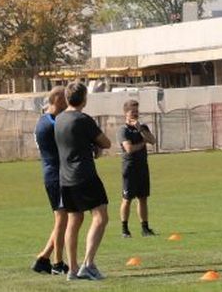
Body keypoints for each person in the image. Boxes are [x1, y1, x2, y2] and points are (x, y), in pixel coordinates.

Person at [55, 81, 112, 281]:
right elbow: (106, 142)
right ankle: (88, 264)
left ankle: (72, 268)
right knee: (100, 216)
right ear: (84, 99)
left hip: (65, 178)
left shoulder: (59, 119)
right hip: (84, 175)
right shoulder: (83, 119)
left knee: (74, 220)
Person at [31, 86, 69, 276]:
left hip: (56, 174)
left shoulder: (48, 120)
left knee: (63, 219)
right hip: (55, 175)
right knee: (62, 218)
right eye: (66, 99)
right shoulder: (49, 124)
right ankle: (57, 262)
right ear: (58, 100)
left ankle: (44, 259)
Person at [118, 99, 156, 238]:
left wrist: (140, 129)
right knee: (127, 199)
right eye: (132, 112)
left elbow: (152, 140)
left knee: (143, 198)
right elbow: (129, 149)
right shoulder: (123, 130)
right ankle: (124, 229)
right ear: (126, 114)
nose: (135, 114)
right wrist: (142, 143)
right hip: (129, 168)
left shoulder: (142, 127)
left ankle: (145, 228)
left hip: (142, 167)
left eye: (137, 111)